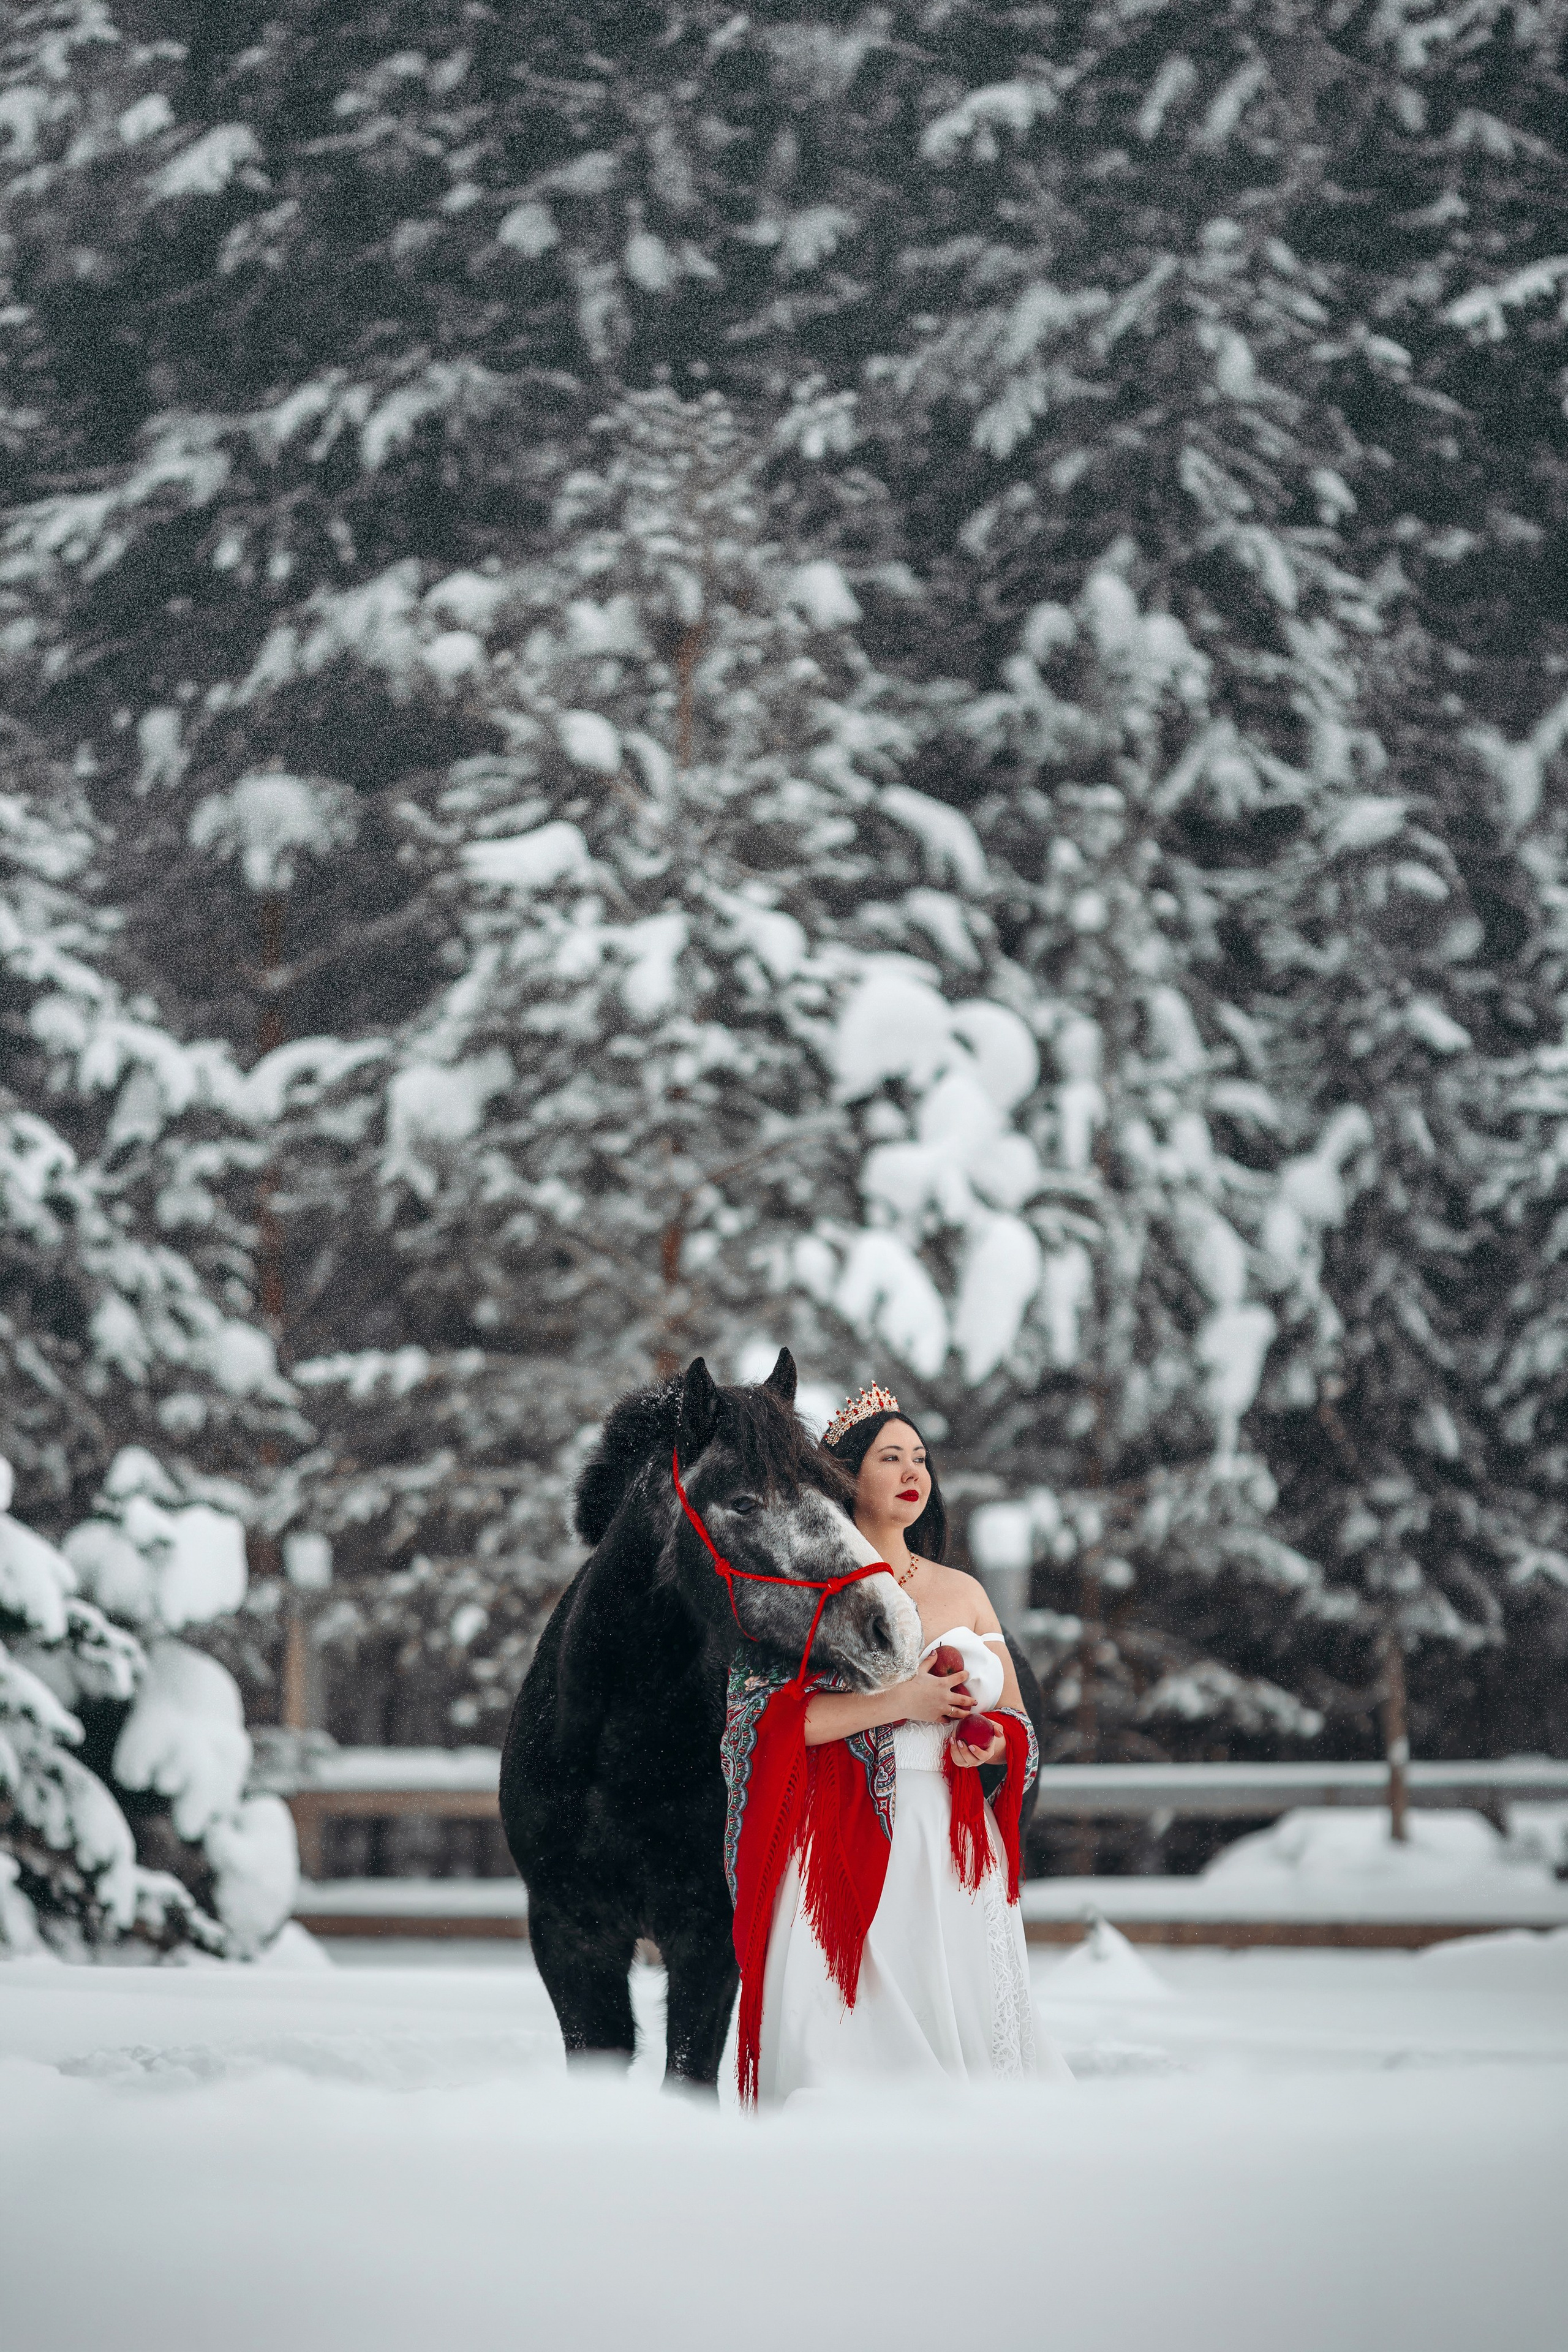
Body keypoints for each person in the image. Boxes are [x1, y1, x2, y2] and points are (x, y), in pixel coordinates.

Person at [722, 1382, 1068, 2101]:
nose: (913, 1474)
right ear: (847, 1474)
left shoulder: (963, 1591)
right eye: (890, 1458)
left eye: (920, 1459)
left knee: (953, 2019)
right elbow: (770, 1723)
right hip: (830, 1842)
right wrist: (900, 1701)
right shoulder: (803, 1588)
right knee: (837, 2037)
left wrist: (988, 1743)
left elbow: (1016, 1724)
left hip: (945, 1838)